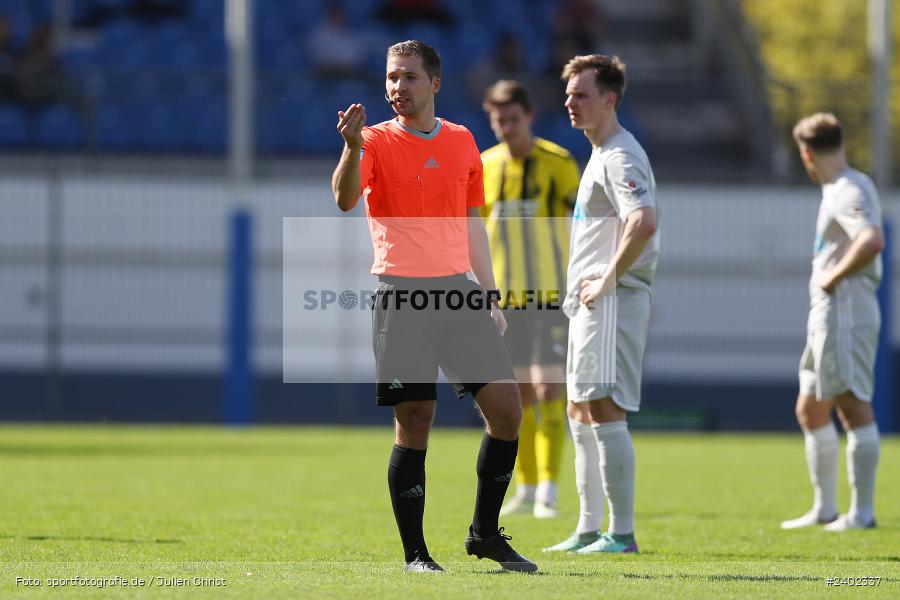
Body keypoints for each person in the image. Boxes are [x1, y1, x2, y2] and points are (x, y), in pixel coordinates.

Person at [331, 40, 537, 573]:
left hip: (459, 293)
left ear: (435, 83)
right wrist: (351, 149)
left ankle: (485, 534)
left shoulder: (464, 140)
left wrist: (489, 293)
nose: (398, 87)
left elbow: (474, 224)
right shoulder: (372, 140)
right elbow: (345, 199)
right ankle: (416, 555)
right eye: (391, 78)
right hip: (401, 296)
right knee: (416, 420)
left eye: (409, 77)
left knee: (508, 411)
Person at [544, 54, 658, 554]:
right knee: (578, 408)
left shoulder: (620, 155)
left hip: (610, 301)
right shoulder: (598, 153)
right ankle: (589, 528)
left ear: (610, 99)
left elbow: (643, 222)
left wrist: (609, 279)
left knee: (603, 406)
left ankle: (622, 533)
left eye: (582, 94)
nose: (570, 101)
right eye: (568, 93)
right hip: (589, 303)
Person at [479, 80, 580, 519]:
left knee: (549, 387)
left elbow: (585, 225)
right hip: (506, 301)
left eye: (513, 120)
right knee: (517, 398)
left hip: (552, 296)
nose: (505, 128)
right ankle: (526, 486)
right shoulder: (484, 166)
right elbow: (475, 234)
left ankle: (549, 490)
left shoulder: (558, 163)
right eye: (498, 121)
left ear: (529, 118)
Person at [780, 113, 883, 532]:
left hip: (845, 315)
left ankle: (862, 514)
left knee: (853, 408)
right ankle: (824, 508)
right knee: (810, 408)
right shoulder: (849, 185)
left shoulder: (847, 189)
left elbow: (872, 239)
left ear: (807, 153)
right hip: (828, 317)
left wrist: (832, 275)